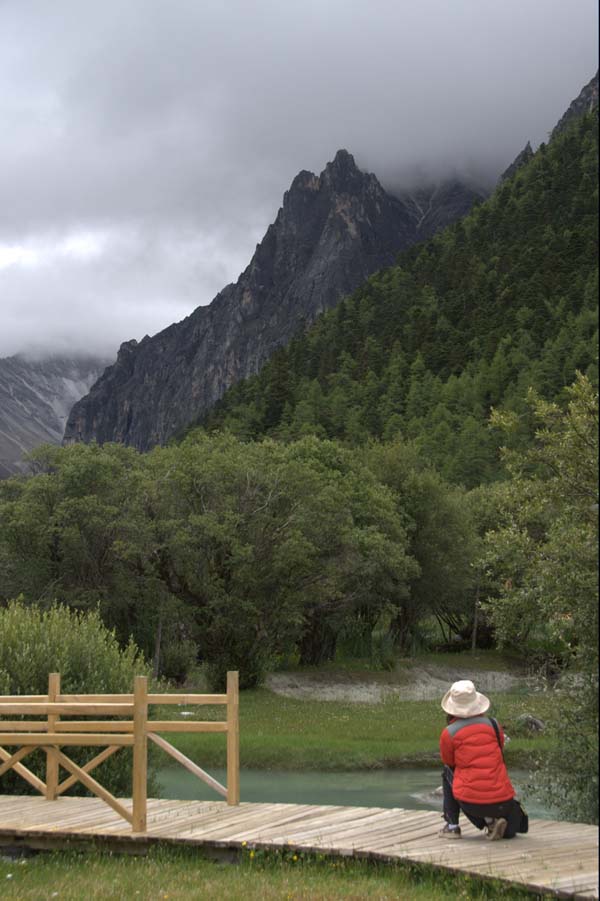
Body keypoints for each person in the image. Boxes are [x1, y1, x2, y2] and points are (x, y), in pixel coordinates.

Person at [438, 679, 522, 840]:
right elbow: (499, 749)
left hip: (472, 803)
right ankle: (491, 821)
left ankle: (452, 826)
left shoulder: (449, 733)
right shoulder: (494, 724)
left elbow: (449, 762)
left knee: (447, 772)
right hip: (504, 801)